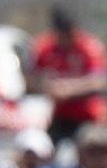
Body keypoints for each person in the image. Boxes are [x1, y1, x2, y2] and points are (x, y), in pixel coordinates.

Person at [29, 7, 107, 144]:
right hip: (56, 116)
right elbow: (31, 79)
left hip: (88, 117)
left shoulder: (89, 47)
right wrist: (48, 86)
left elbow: (99, 81)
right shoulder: (45, 47)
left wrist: (68, 89)